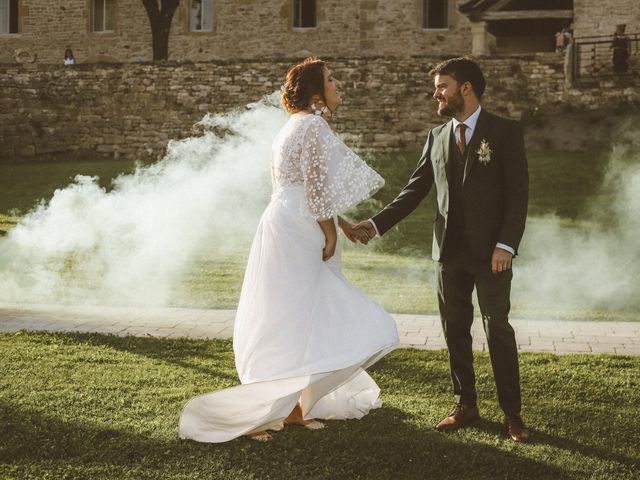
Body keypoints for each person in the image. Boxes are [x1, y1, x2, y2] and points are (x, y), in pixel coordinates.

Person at [179, 57, 400, 443]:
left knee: (294, 316)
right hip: (302, 230)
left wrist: (342, 224)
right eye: (332, 80)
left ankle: (295, 408)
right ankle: (271, 410)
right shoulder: (313, 125)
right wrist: (330, 234)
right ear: (317, 94)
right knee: (302, 316)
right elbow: (314, 191)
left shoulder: (288, 128)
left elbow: (297, 187)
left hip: (283, 222)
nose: (339, 85)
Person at [354, 57, 530, 442]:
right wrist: (375, 224)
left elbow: (518, 195)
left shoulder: (504, 132)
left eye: (442, 86)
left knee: (496, 328)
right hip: (448, 254)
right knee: (454, 331)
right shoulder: (436, 137)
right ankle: (465, 404)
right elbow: (414, 191)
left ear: (466, 88)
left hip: (492, 255)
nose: (436, 93)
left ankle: (512, 415)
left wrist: (506, 245)